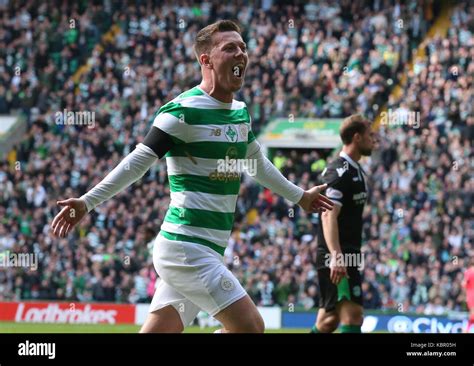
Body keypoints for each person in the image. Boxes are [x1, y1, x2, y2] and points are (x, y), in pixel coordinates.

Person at [51, 20, 334, 333]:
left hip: (206, 249)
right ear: (206, 60)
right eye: (230, 48)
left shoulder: (239, 112)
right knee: (252, 327)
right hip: (186, 247)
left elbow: (256, 163)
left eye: (243, 47)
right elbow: (137, 162)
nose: (241, 54)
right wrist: (87, 202)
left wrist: (301, 196)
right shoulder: (181, 111)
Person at [311, 114, 376, 333]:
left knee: (328, 321)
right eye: (370, 135)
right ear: (357, 138)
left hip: (348, 252)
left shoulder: (356, 169)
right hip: (337, 255)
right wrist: (336, 255)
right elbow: (328, 215)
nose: (374, 139)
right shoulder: (338, 171)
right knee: (353, 316)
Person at [463, 258, 474, 333]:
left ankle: (466, 329)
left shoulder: (468, 271)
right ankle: (466, 329)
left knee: (473, 314)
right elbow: (464, 283)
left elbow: (463, 284)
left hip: (471, 294)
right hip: (472, 294)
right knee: (473, 314)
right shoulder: (469, 271)